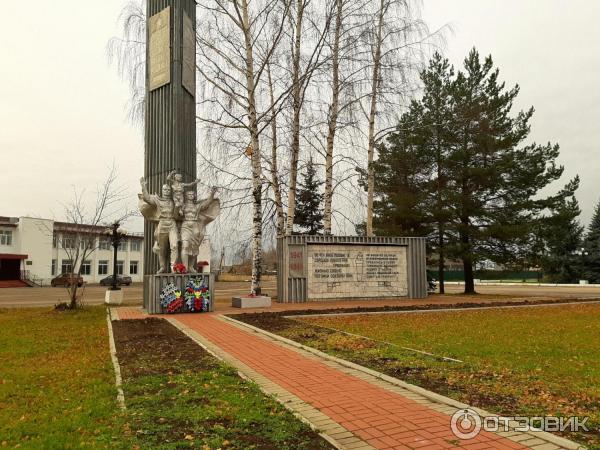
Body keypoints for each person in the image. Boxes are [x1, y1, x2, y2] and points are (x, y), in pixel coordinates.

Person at [139, 177, 178, 273]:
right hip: (162, 224)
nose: (167, 191)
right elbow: (147, 199)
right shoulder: (157, 200)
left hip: (172, 224)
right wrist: (143, 186)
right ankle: (162, 267)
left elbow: (178, 214)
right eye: (165, 189)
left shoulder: (174, 201)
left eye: (168, 190)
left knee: (174, 245)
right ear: (162, 190)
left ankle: (173, 267)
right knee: (162, 248)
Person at [180, 187, 220, 272]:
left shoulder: (197, 206)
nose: (191, 196)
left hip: (195, 226)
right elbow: (176, 212)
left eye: (192, 194)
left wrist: (212, 194)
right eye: (189, 194)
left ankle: (191, 266)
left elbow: (207, 203)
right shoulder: (183, 206)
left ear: (194, 196)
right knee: (185, 245)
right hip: (185, 226)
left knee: (195, 247)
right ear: (186, 196)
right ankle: (184, 268)